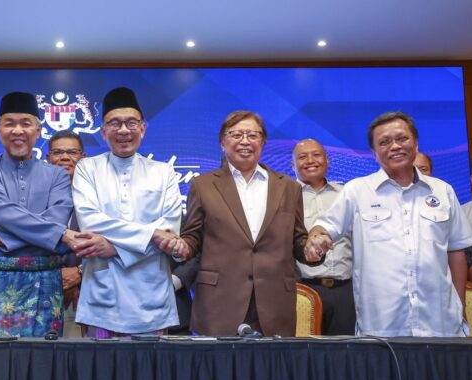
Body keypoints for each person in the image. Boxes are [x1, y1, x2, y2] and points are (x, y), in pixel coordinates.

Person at [305, 111, 472, 337]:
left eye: (402, 138)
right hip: (382, 326)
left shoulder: (443, 191)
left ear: (415, 143)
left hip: (441, 323)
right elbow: (324, 228)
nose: (394, 146)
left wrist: (460, 307)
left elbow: (456, 251)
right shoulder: (357, 191)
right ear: (375, 153)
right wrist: (316, 239)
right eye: (384, 142)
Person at [176, 110, 309, 337]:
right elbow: (192, 237)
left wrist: (312, 249)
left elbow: (298, 241)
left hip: (274, 301)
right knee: (220, 371)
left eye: (252, 135)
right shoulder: (203, 185)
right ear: (222, 143)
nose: (245, 141)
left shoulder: (289, 187)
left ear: (263, 141)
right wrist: (181, 247)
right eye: (236, 135)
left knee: (272, 370)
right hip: (219, 302)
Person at [72, 87, 182, 337]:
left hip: (150, 295)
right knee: (99, 374)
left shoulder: (163, 172)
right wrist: (151, 234)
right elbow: (91, 221)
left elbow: (169, 231)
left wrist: (115, 248)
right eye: (115, 123)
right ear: (102, 132)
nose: (123, 130)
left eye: (131, 123)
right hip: (103, 293)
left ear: (142, 129)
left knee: (151, 374)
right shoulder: (87, 169)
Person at [0, 92, 75, 337]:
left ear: (38, 130)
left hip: (44, 282)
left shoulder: (57, 175)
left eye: (25, 123)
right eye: (9, 123)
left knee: (43, 363)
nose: (17, 130)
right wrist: (52, 232)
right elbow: (1, 212)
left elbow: (56, 221)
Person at [292, 139, 356, 335]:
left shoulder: (347, 194)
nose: (310, 160)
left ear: (327, 160)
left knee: (345, 355)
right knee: (304, 354)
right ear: (293, 165)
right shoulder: (285, 197)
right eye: (302, 157)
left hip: (345, 291)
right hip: (302, 291)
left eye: (316, 155)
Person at [47, 129, 86, 338]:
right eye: (58, 152)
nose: (64, 157)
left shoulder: (98, 193)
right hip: (43, 289)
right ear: (47, 158)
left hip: (89, 290)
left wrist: (80, 273)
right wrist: (58, 277)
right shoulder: (34, 193)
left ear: (83, 157)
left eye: (72, 152)